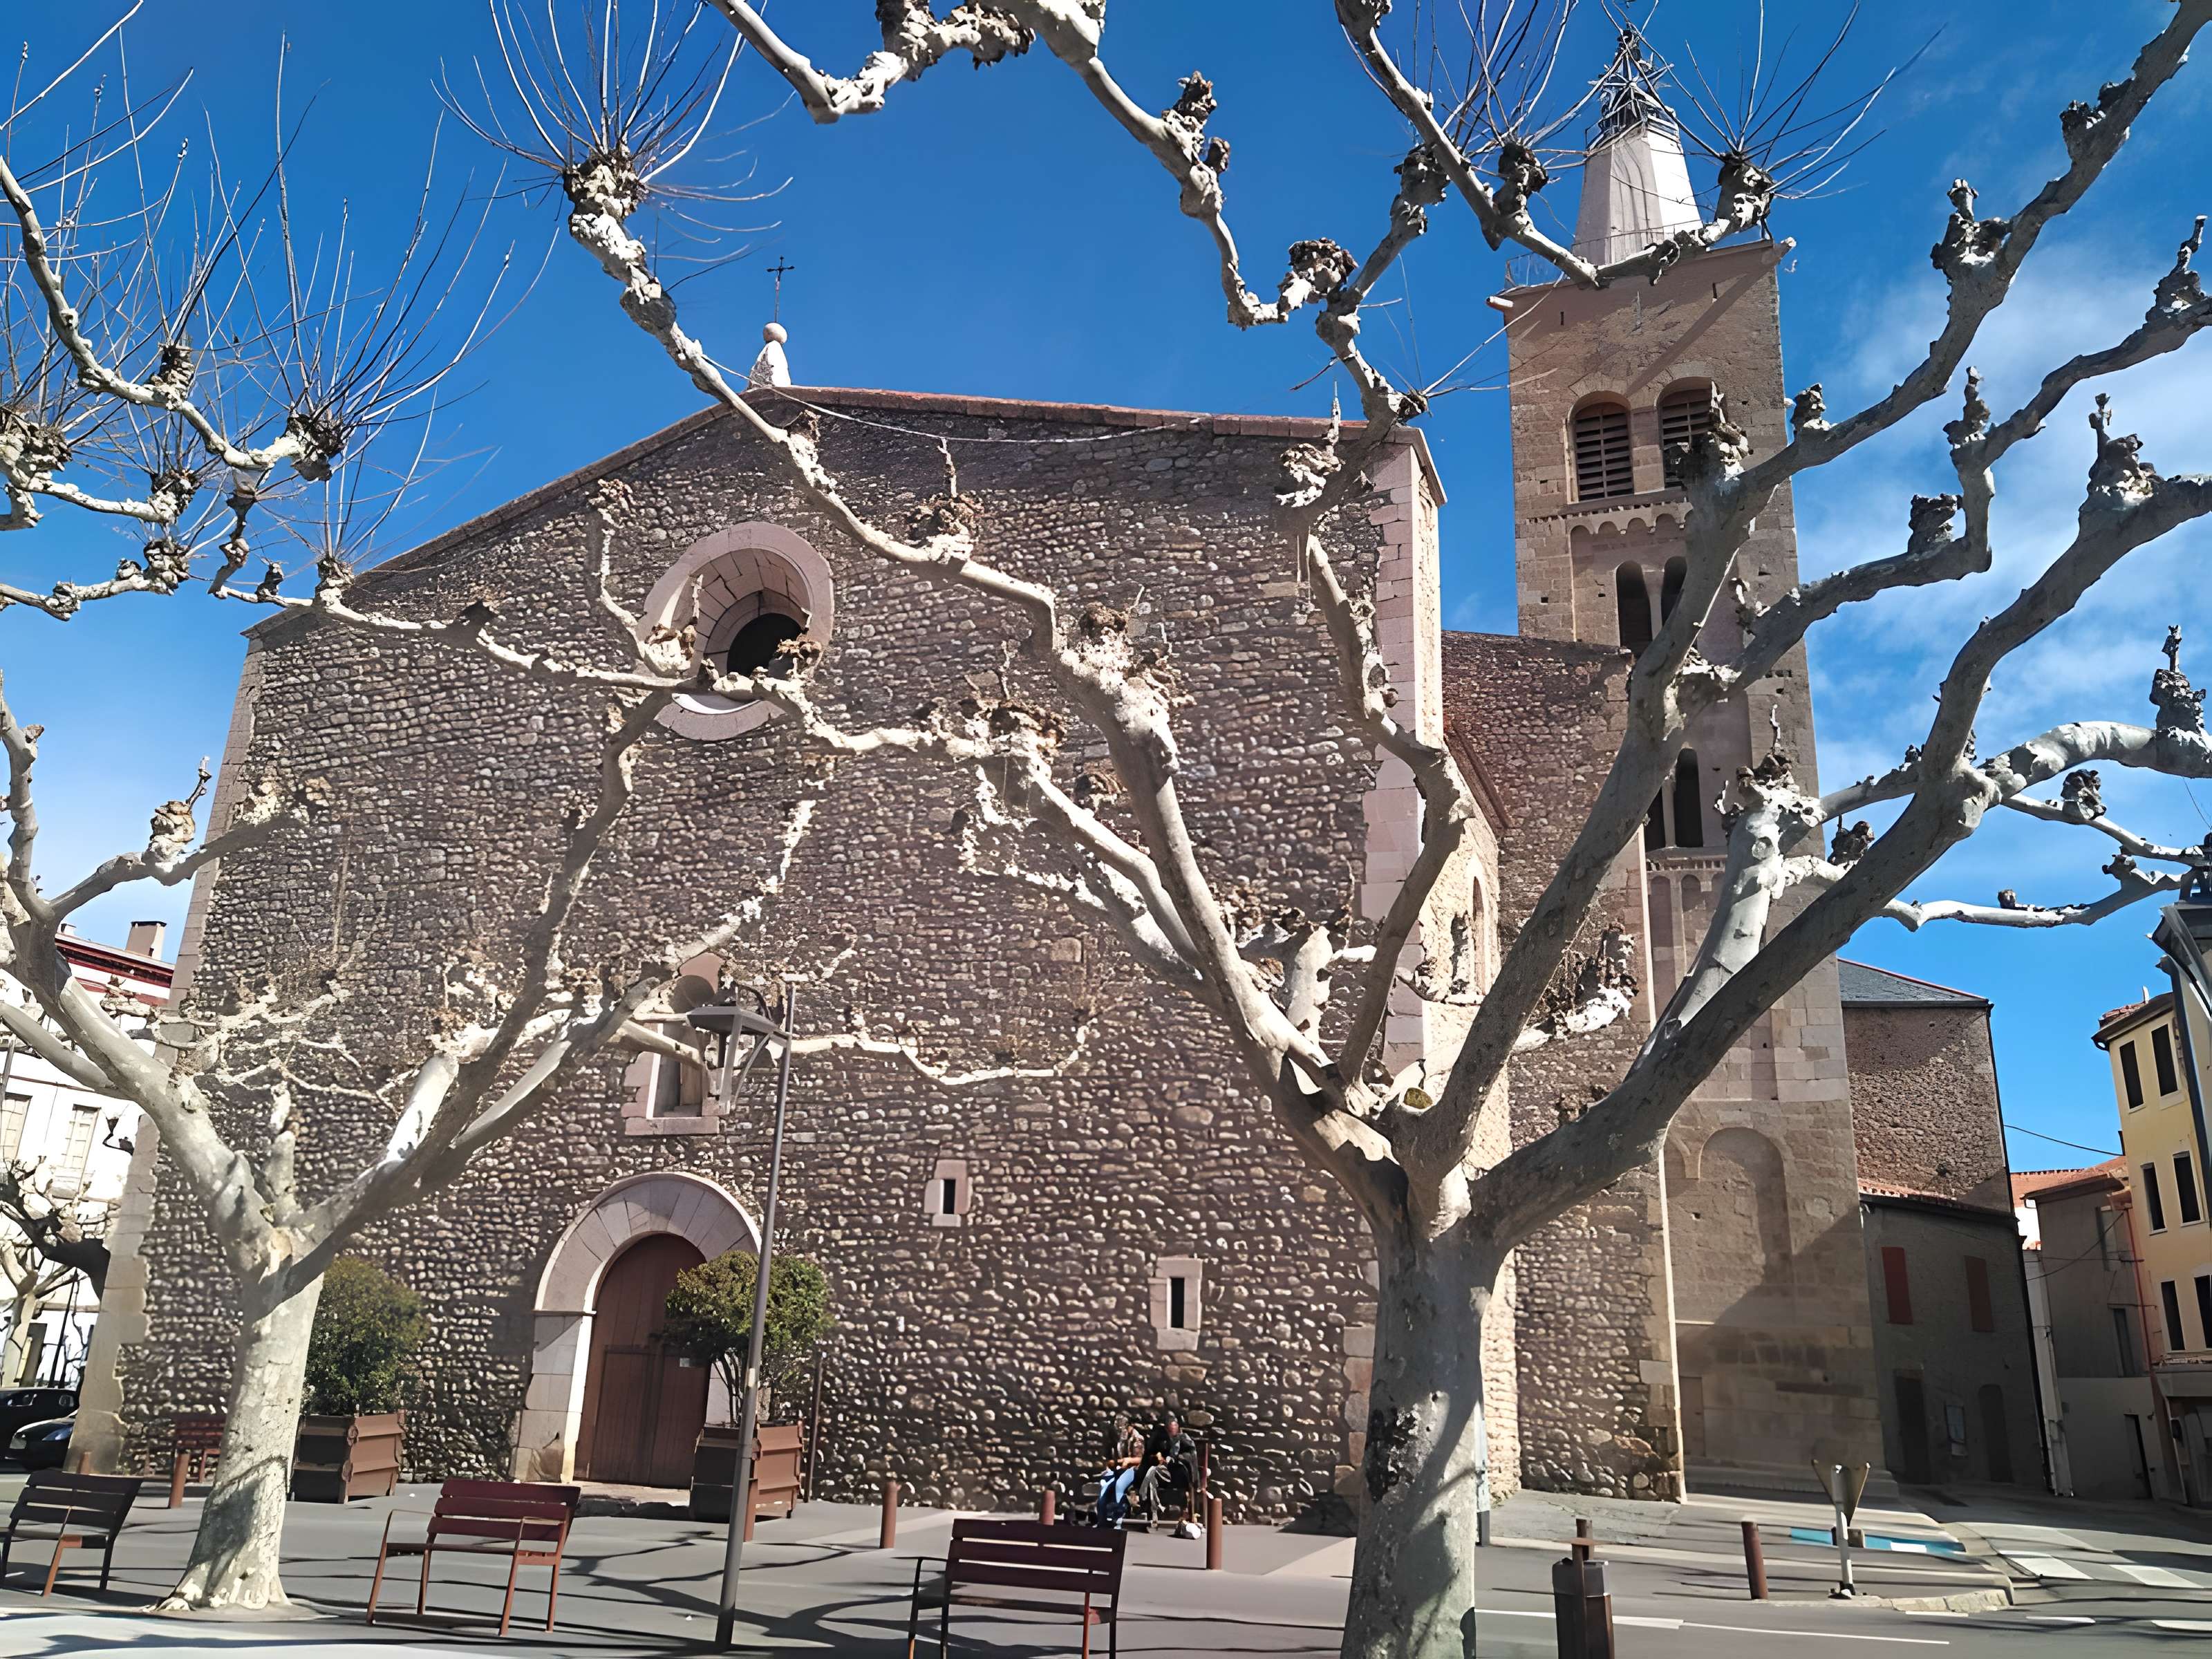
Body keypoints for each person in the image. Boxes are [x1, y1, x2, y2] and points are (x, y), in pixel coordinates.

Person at [1134, 1413, 1201, 1538]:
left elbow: (1191, 1455)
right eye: (1169, 1429)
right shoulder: (1160, 1438)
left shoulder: (1184, 1439)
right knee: (1151, 1473)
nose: (1172, 1431)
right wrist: (1156, 1458)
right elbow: (1149, 1453)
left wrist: (1176, 1459)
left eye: (1174, 1428)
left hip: (1180, 1473)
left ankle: (1183, 1514)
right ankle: (1152, 1512)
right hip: (1165, 1471)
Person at [1093, 1413, 1145, 1526]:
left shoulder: (1137, 1438)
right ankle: (1101, 1520)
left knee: (1119, 1486)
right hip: (1120, 1469)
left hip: (1134, 1470)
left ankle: (1118, 1518)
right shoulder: (1121, 1438)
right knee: (1104, 1486)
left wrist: (1126, 1460)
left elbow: (1140, 1459)